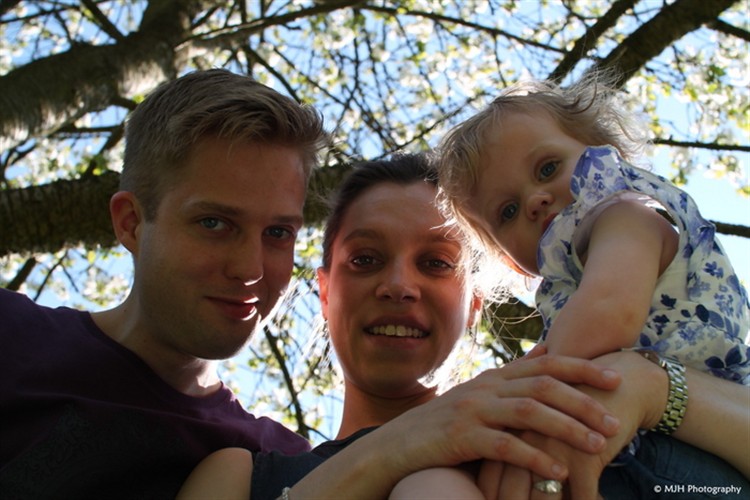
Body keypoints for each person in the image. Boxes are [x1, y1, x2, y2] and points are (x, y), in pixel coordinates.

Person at [177, 155, 749, 500]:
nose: (398, 286)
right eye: (365, 259)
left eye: (435, 263)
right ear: (324, 291)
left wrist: (652, 387)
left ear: (473, 303)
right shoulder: (242, 474)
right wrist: (389, 453)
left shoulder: (548, 418)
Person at [388, 74, 750, 498]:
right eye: (507, 211)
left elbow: (609, 313)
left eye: (547, 168)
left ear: (602, 150)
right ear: (508, 258)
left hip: (676, 452)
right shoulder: (573, 272)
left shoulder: (624, 216)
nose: (534, 200)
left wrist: (520, 394)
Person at [0, 68, 328, 497]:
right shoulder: (11, 336)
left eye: (278, 233)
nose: (251, 269)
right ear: (131, 223)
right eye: (214, 223)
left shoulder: (279, 465)